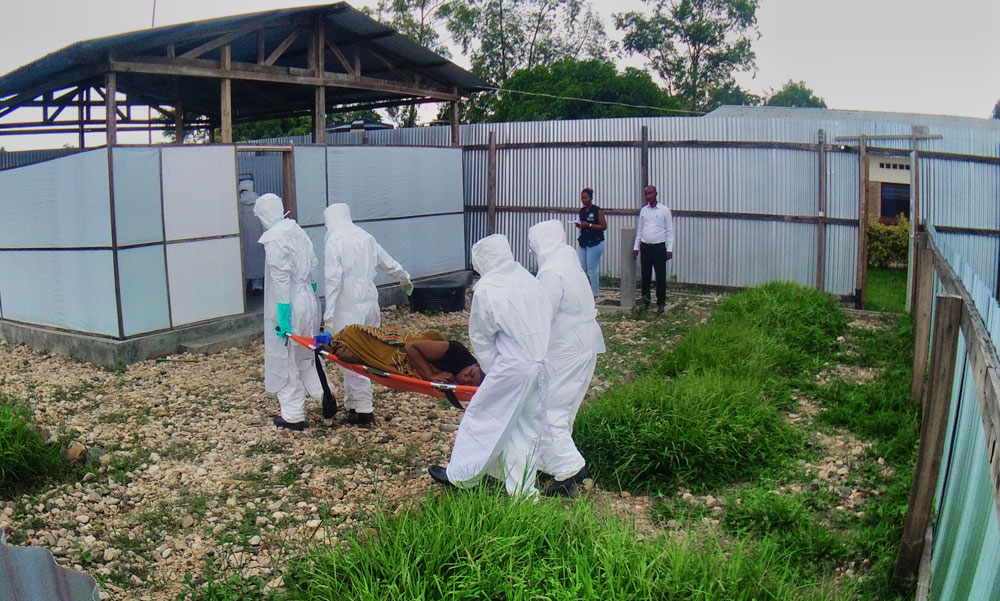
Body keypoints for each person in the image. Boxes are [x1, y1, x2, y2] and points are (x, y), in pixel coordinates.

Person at [428, 234, 553, 499]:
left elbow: (482, 338)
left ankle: (462, 476)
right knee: (526, 428)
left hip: (511, 367)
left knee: (482, 418)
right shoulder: (531, 281)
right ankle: (523, 493)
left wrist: (493, 370)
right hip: (541, 364)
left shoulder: (488, 289)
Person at [528, 220, 606, 497]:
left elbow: (541, 316)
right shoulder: (569, 263)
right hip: (584, 345)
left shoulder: (551, 271)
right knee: (563, 409)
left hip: (566, 348)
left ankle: (570, 467)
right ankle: (551, 463)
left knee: (548, 409)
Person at [323, 204, 413, 426]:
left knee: (351, 353)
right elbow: (386, 261)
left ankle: (363, 409)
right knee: (366, 350)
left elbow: (333, 281)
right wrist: (404, 276)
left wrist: (328, 314)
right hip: (370, 300)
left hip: (348, 302)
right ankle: (353, 403)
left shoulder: (335, 241)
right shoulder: (365, 237)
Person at [254, 193, 325, 431]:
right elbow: (313, 265)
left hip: (290, 300)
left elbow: (281, 278)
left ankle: (293, 414)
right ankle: (324, 394)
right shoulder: (297, 230)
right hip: (309, 299)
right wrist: (312, 296)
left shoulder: (274, 237)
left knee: (286, 359)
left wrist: (283, 312)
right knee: (307, 354)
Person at [319, 324, 484, 385]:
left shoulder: (465, 377)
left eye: (470, 382)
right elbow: (411, 348)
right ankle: (335, 345)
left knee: (355, 357)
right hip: (396, 346)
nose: (465, 379)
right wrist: (432, 375)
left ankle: (333, 348)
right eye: (470, 374)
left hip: (412, 355)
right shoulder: (455, 351)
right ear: (476, 364)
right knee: (350, 348)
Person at [631, 185, 674, 313]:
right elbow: (640, 230)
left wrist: (669, 249)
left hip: (659, 247)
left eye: (651, 193)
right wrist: (636, 247)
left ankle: (661, 302)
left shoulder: (664, 210)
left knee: (660, 276)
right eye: (646, 194)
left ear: (656, 193)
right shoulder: (644, 211)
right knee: (645, 276)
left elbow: (669, 231)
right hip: (646, 246)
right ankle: (646, 301)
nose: (649, 196)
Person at [575, 187, 606, 299]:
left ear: (591, 198)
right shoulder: (582, 211)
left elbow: (603, 226)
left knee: (592, 269)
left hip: (595, 242)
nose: (584, 200)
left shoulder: (597, 210)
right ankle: (586, 290)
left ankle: (595, 293)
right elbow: (583, 223)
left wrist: (589, 225)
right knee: (583, 268)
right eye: (582, 198)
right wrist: (580, 225)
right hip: (584, 241)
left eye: (586, 198)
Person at [237, 179, 264, 293]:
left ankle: (244, 284)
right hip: (257, 236)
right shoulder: (259, 201)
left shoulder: (237, 202)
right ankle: (257, 285)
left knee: (244, 261)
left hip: (242, 237)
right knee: (258, 260)